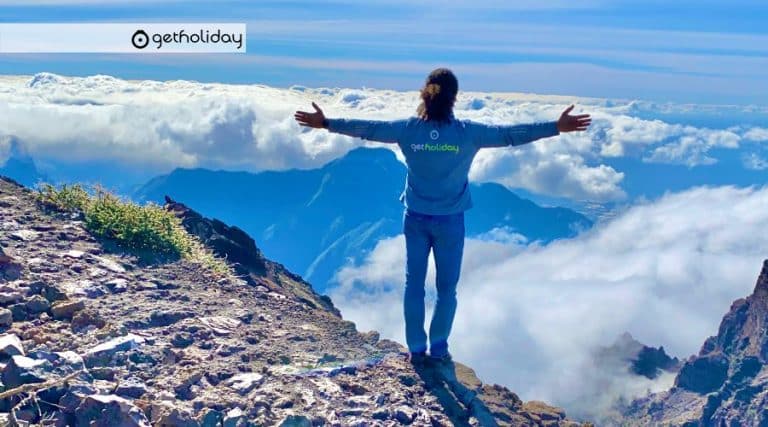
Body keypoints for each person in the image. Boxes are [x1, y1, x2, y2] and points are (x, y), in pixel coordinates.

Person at [294, 68, 591, 364]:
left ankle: (416, 350)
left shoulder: (408, 130)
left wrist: (327, 123)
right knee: (446, 290)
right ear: (454, 98)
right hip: (450, 222)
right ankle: (438, 351)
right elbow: (510, 135)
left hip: (416, 219)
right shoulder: (468, 134)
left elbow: (368, 128)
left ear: (426, 93)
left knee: (414, 286)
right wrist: (556, 126)